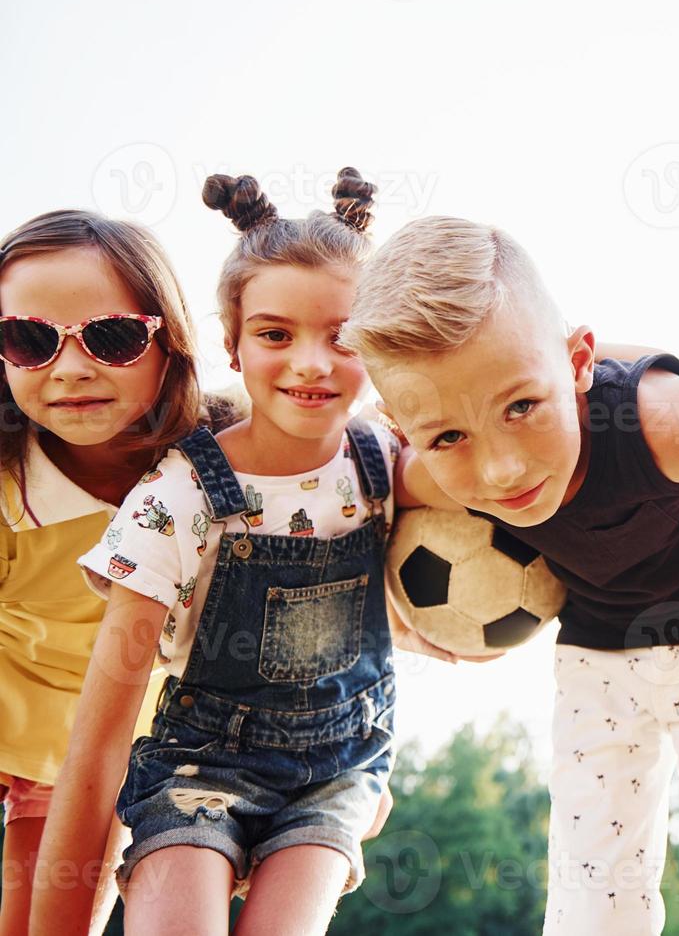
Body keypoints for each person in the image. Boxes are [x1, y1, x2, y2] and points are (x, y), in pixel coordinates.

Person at [343, 216, 679, 935]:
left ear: (576, 363)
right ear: (406, 430)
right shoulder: (433, 476)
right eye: (448, 435)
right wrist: (395, 621)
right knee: (591, 881)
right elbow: (341, 504)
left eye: (521, 407)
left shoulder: (675, 430)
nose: (502, 469)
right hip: (597, 650)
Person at [35, 169, 409, 936]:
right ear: (232, 345)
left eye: (342, 336)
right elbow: (98, 745)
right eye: (276, 334)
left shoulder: (388, 461)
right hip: (199, 768)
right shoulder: (177, 502)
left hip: (337, 771)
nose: (311, 362)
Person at [0, 210, 212, 936]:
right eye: (28, 340)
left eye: (111, 337)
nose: (69, 368)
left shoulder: (218, 469)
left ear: (170, 342)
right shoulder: (7, 485)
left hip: (105, 757)